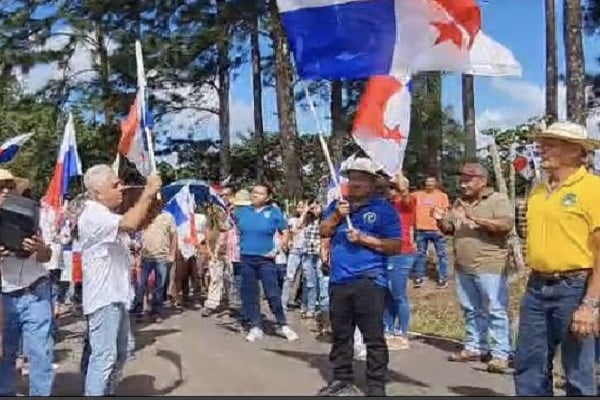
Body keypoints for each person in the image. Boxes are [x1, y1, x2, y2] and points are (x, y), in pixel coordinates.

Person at [514, 122, 600, 396]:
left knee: (577, 370)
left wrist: (590, 304)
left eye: (551, 144)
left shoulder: (593, 188)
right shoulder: (539, 190)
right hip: (536, 286)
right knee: (528, 365)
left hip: (575, 287)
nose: (542, 149)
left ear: (575, 151)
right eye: (543, 143)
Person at [318, 157, 402, 397]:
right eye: (351, 178)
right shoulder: (338, 205)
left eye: (360, 180)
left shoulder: (383, 210)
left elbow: (395, 246)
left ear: (372, 183)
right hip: (339, 281)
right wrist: (336, 217)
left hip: (369, 280)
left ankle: (376, 385)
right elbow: (323, 231)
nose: (354, 184)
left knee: (373, 336)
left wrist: (365, 239)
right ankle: (341, 378)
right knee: (341, 334)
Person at [77, 164, 161, 396]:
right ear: (97, 192)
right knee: (104, 356)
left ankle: (106, 392)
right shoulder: (92, 214)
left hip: (118, 296)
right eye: (114, 185)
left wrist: (152, 202)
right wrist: (147, 192)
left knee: (122, 353)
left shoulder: (106, 215)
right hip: (104, 299)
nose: (121, 187)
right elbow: (130, 224)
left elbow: (137, 223)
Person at [434, 163, 513, 373]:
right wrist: (441, 219)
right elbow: (450, 229)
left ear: (482, 181)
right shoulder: (459, 202)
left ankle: (500, 354)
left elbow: (505, 225)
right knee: (470, 308)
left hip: (489, 264)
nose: (463, 184)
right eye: (462, 179)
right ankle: (474, 346)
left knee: (495, 309)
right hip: (463, 265)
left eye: (468, 179)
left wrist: (475, 218)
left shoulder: (498, 200)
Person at [0, 169, 54, 396]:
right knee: (5, 353)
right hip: (4, 298)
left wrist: (40, 248)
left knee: (41, 353)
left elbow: (47, 256)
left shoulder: (33, 215)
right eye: (0, 187)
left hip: (36, 292)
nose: (5, 191)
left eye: (9, 186)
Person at [233, 184, 298, 342]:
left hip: (266, 260)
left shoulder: (274, 212)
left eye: (260, 193)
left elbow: (285, 232)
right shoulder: (242, 212)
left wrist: (278, 248)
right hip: (247, 258)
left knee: (272, 293)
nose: (255, 195)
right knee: (250, 294)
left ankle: (283, 324)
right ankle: (256, 326)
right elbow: (232, 229)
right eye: (253, 192)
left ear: (267, 197)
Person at [384, 172, 417, 351]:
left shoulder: (406, 204)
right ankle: (387, 329)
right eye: (389, 187)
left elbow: (406, 198)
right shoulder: (386, 205)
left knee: (398, 293)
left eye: (392, 188)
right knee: (387, 293)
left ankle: (402, 332)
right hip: (387, 251)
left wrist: (402, 186)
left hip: (403, 252)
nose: (389, 191)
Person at [136, 199, 177, 321]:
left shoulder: (168, 217)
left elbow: (174, 235)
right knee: (141, 285)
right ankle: (140, 310)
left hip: (162, 257)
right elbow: (139, 236)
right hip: (146, 257)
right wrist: (138, 256)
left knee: (159, 286)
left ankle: (156, 312)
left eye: (157, 203)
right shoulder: (145, 217)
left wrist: (172, 253)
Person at [412, 175, 450, 288]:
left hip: (437, 230)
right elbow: (404, 197)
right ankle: (419, 276)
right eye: (427, 182)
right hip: (421, 229)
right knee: (420, 254)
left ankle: (443, 278)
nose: (429, 184)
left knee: (442, 255)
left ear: (436, 184)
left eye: (432, 182)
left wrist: (444, 224)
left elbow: (446, 212)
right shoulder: (417, 195)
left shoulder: (442, 196)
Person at [281, 201, 309, 309]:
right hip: (295, 251)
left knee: (306, 279)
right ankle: (283, 303)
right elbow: (297, 227)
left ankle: (304, 305)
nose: (301, 208)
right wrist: (304, 214)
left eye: (303, 207)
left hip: (307, 251)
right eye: (299, 207)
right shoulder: (292, 220)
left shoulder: (310, 221)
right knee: (289, 277)